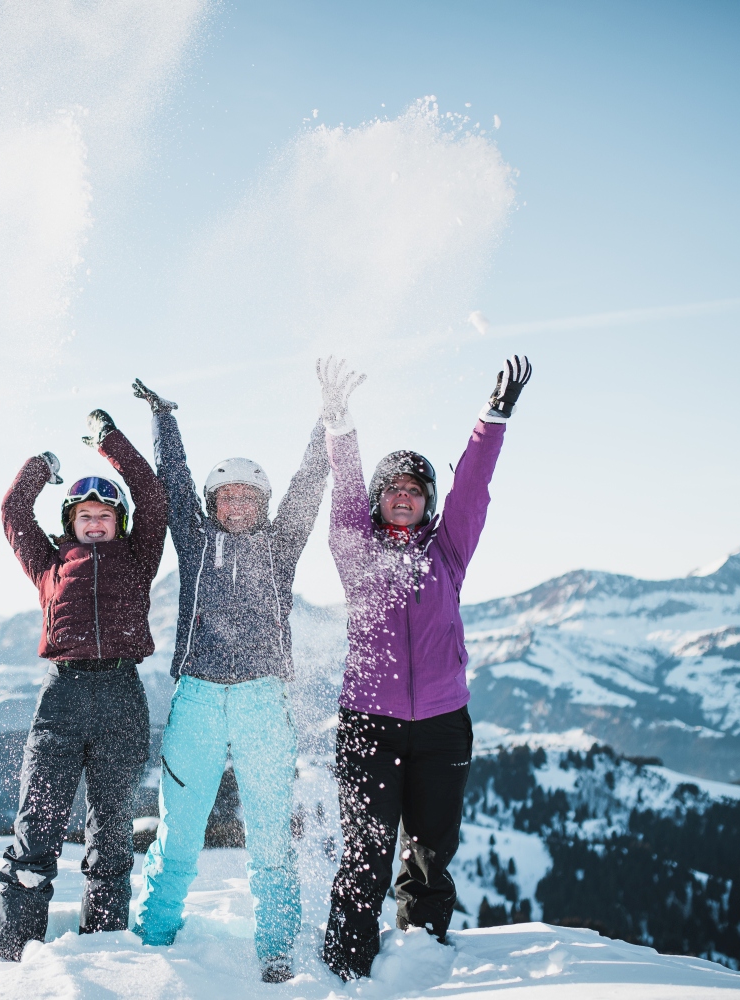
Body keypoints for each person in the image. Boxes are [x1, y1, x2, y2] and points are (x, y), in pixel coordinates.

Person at [317, 354, 533, 981]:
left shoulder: (448, 552)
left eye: (415, 489)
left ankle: (420, 956)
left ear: (427, 502)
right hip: (368, 724)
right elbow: (346, 491)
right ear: (380, 503)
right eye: (393, 490)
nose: (404, 496)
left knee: (432, 851)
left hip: (442, 726)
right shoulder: (355, 552)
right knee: (365, 851)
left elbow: (472, 490)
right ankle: (346, 967)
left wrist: (491, 420)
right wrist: (338, 425)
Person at [127, 377, 329, 983]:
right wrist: (164, 419)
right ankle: (153, 938)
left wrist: (327, 420)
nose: (237, 506)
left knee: (270, 834)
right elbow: (174, 482)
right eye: (227, 498)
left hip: (264, 701)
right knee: (180, 831)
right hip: (197, 699)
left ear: (262, 506)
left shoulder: (280, 545)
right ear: (213, 506)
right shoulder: (194, 542)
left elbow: (308, 487)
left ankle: (276, 948)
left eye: (248, 498)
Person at [0, 407, 169, 962]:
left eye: (105, 516)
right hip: (62, 696)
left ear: (119, 523)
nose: (95, 523)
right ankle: (16, 945)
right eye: (85, 515)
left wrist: (109, 441)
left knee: (112, 827)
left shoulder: (139, 559)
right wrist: (42, 467)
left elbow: (154, 497)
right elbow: (13, 511)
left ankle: (105, 947)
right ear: (70, 521)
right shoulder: (48, 565)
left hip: (120, 694)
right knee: (38, 819)